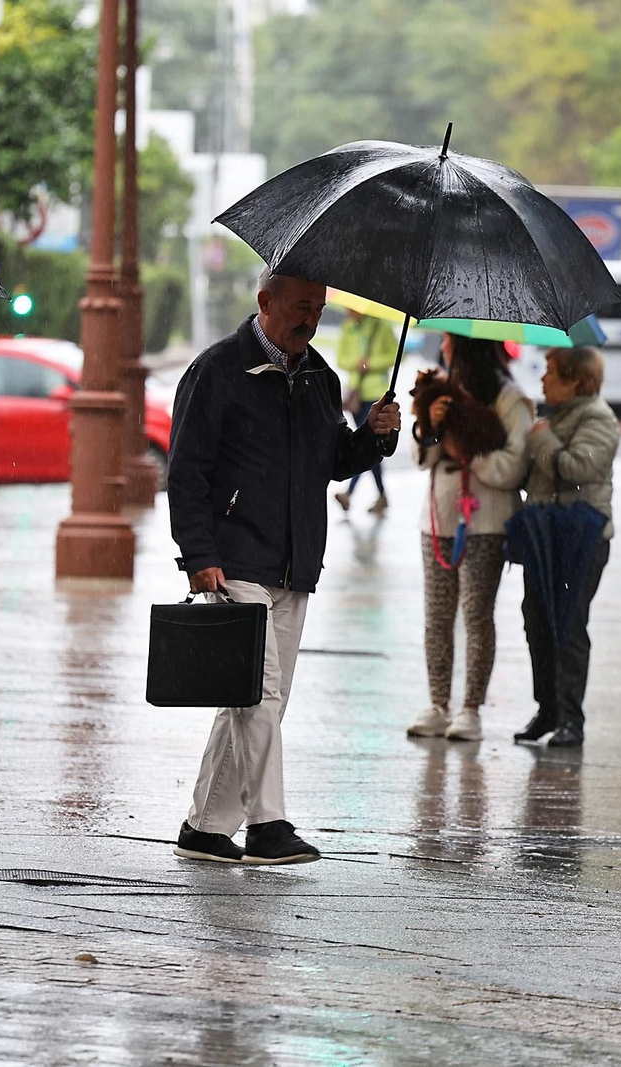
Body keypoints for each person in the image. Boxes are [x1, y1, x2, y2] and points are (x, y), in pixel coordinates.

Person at [167, 269, 401, 865]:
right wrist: (199, 555)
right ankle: (267, 826)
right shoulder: (217, 370)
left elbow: (333, 460)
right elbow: (186, 472)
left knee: (256, 698)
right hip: (234, 558)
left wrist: (373, 436)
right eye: (300, 306)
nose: (310, 319)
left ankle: (205, 828)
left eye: (318, 308)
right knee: (259, 696)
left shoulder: (321, 377)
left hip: (295, 561)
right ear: (265, 301)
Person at [407, 334, 532, 742]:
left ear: (465, 346)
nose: (443, 348)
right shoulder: (442, 389)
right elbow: (421, 457)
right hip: (439, 519)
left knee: (477, 615)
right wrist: (430, 425)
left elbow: (515, 464)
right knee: (437, 617)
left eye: (448, 340)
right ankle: (438, 704)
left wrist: (471, 456)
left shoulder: (509, 399)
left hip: (486, 522)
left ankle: (471, 709)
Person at [513, 346, 618, 749]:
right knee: (537, 621)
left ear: (576, 381)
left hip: (580, 540)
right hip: (545, 538)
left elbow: (578, 469)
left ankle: (572, 718)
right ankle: (548, 708)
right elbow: (533, 476)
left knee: (569, 625)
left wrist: (542, 438)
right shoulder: (553, 416)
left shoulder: (598, 418)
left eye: (551, 372)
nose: (543, 379)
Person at [332, 308, 399, 514]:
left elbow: (395, 356)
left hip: (376, 393)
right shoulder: (347, 328)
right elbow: (341, 359)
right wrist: (356, 364)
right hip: (357, 395)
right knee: (365, 445)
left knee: (368, 444)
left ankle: (351, 493)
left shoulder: (382, 326)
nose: (348, 310)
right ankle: (381, 494)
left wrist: (371, 364)